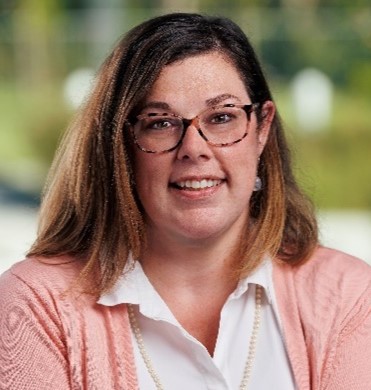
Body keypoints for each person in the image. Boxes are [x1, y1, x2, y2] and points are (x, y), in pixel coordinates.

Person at [0, 12, 370, 390]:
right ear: (120, 146)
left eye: (222, 117)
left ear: (262, 130)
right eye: (160, 122)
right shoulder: (35, 305)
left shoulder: (349, 297)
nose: (194, 149)